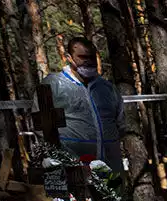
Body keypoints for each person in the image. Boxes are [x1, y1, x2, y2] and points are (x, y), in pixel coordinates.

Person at [39, 37, 124, 173]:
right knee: (78, 194)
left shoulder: (107, 88)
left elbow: (120, 122)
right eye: (82, 57)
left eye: (91, 57)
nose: (88, 61)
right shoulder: (52, 85)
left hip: (110, 166)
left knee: (115, 194)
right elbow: (42, 125)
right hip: (73, 167)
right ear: (68, 57)